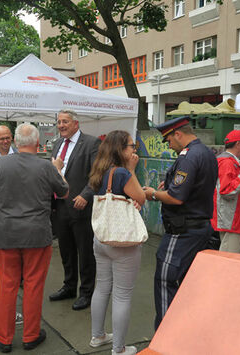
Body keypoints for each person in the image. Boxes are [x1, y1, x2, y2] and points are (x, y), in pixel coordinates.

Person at [0, 123, 69, 353]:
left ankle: (4, 338)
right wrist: (58, 168)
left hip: (7, 233)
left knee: (7, 285)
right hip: (37, 235)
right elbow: (64, 191)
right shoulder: (45, 166)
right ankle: (30, 336)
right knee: (33, 285)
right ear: (37, 143)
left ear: (16, 143)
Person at [143, 116, 218, 330]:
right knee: (188, 284)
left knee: (165, 280)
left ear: (178, 133)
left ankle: (166, 337)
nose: (169, 145)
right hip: (198, 228)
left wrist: (154, 194)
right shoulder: (206, 153)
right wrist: (168, 185)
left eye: (168, 140)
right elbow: (191, 186)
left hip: (183, 231)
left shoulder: (188, 156)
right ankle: (187, 331)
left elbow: (177, 197)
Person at [88, 131, 146, 355]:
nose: (134, 150)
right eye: (132, 146)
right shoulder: (122, 172)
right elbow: (140, 197)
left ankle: (97, 335)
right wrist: (132, 170)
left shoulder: (99, 171)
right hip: (123, 242)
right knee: (122, 294)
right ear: (121, 149)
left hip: (101, 237)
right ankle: (119, 349)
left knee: (101, 287)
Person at [49, 109, 101, 311]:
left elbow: (97, 175)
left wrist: (86, 195)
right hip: (60, 207)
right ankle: (69, 286)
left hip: (81, 208)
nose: (61, 125)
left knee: (85, 252)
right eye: (59, 122)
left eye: (65, 122)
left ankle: (86, 292)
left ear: (76, 124)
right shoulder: (57, 144)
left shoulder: (91, 143)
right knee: (66, 251)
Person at [211, 130, 240, 253]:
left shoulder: (227, 161)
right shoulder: (227, 163)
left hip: (231, 219)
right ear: (238, 144)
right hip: (232, 220)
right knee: (228, 260)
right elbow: (227, 191)